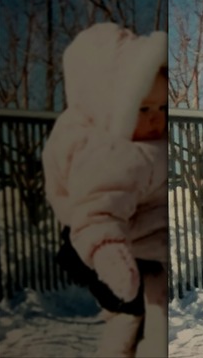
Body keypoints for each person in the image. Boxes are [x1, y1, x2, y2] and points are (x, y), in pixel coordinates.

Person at [42, 22, 169, 357]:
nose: (156, 119)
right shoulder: (111, 153)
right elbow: (98, 211)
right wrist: (111, 256)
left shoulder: (153, 144)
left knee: (153, 315)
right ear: (111, 107)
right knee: (128, 315)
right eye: (143, 109)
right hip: (113, 253)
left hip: (150, 253)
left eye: (162, 108)